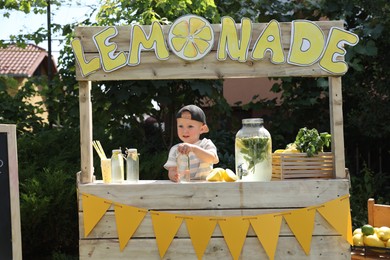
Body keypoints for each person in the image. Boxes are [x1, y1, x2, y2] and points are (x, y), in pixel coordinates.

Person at [164, 105, 219, 182]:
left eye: (190, 126)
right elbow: (172, 170)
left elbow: (212, 158)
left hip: (206, 187)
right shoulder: (176, 149)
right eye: (180, 126)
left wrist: (193, 148)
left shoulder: (206, 144)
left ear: (202, 129)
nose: (185, 131)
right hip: (185, 187)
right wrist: (174, 175)